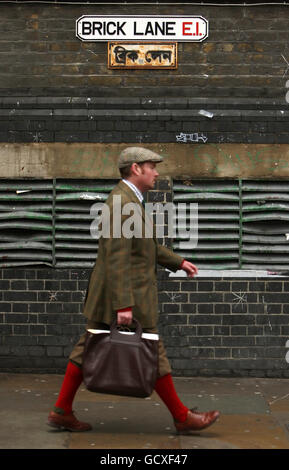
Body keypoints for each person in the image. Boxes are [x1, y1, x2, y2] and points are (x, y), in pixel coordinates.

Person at [47, 147, 220, 433]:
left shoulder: (130, 201)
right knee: (152, 351)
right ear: (136, 168)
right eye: (153, 167)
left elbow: (145, 247)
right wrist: (123, 305)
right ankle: (181, 417)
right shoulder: (120, 203)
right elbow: (116, 256)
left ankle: (61, 410)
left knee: (86, 350)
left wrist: (178, 261)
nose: (157, 173)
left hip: (117, 294)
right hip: (126, 294)